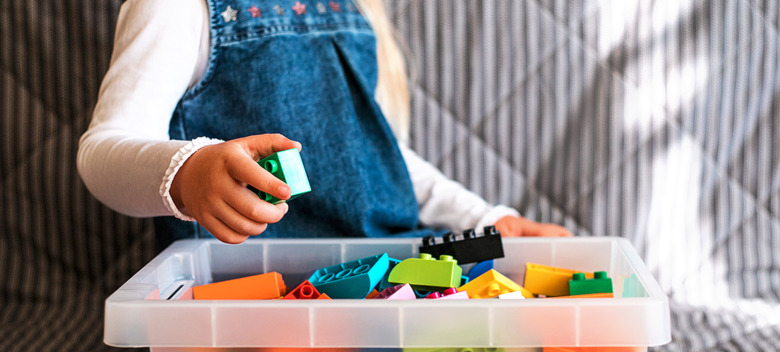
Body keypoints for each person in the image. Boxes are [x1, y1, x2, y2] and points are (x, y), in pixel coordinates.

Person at [78, 0, 571, 248]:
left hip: (392, 270)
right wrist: (187, 173)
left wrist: (481, 219)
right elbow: (102, 150)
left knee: (510, 290)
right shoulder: (179, 8)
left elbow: (381, 159)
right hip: (254, 292)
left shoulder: (354, 9)